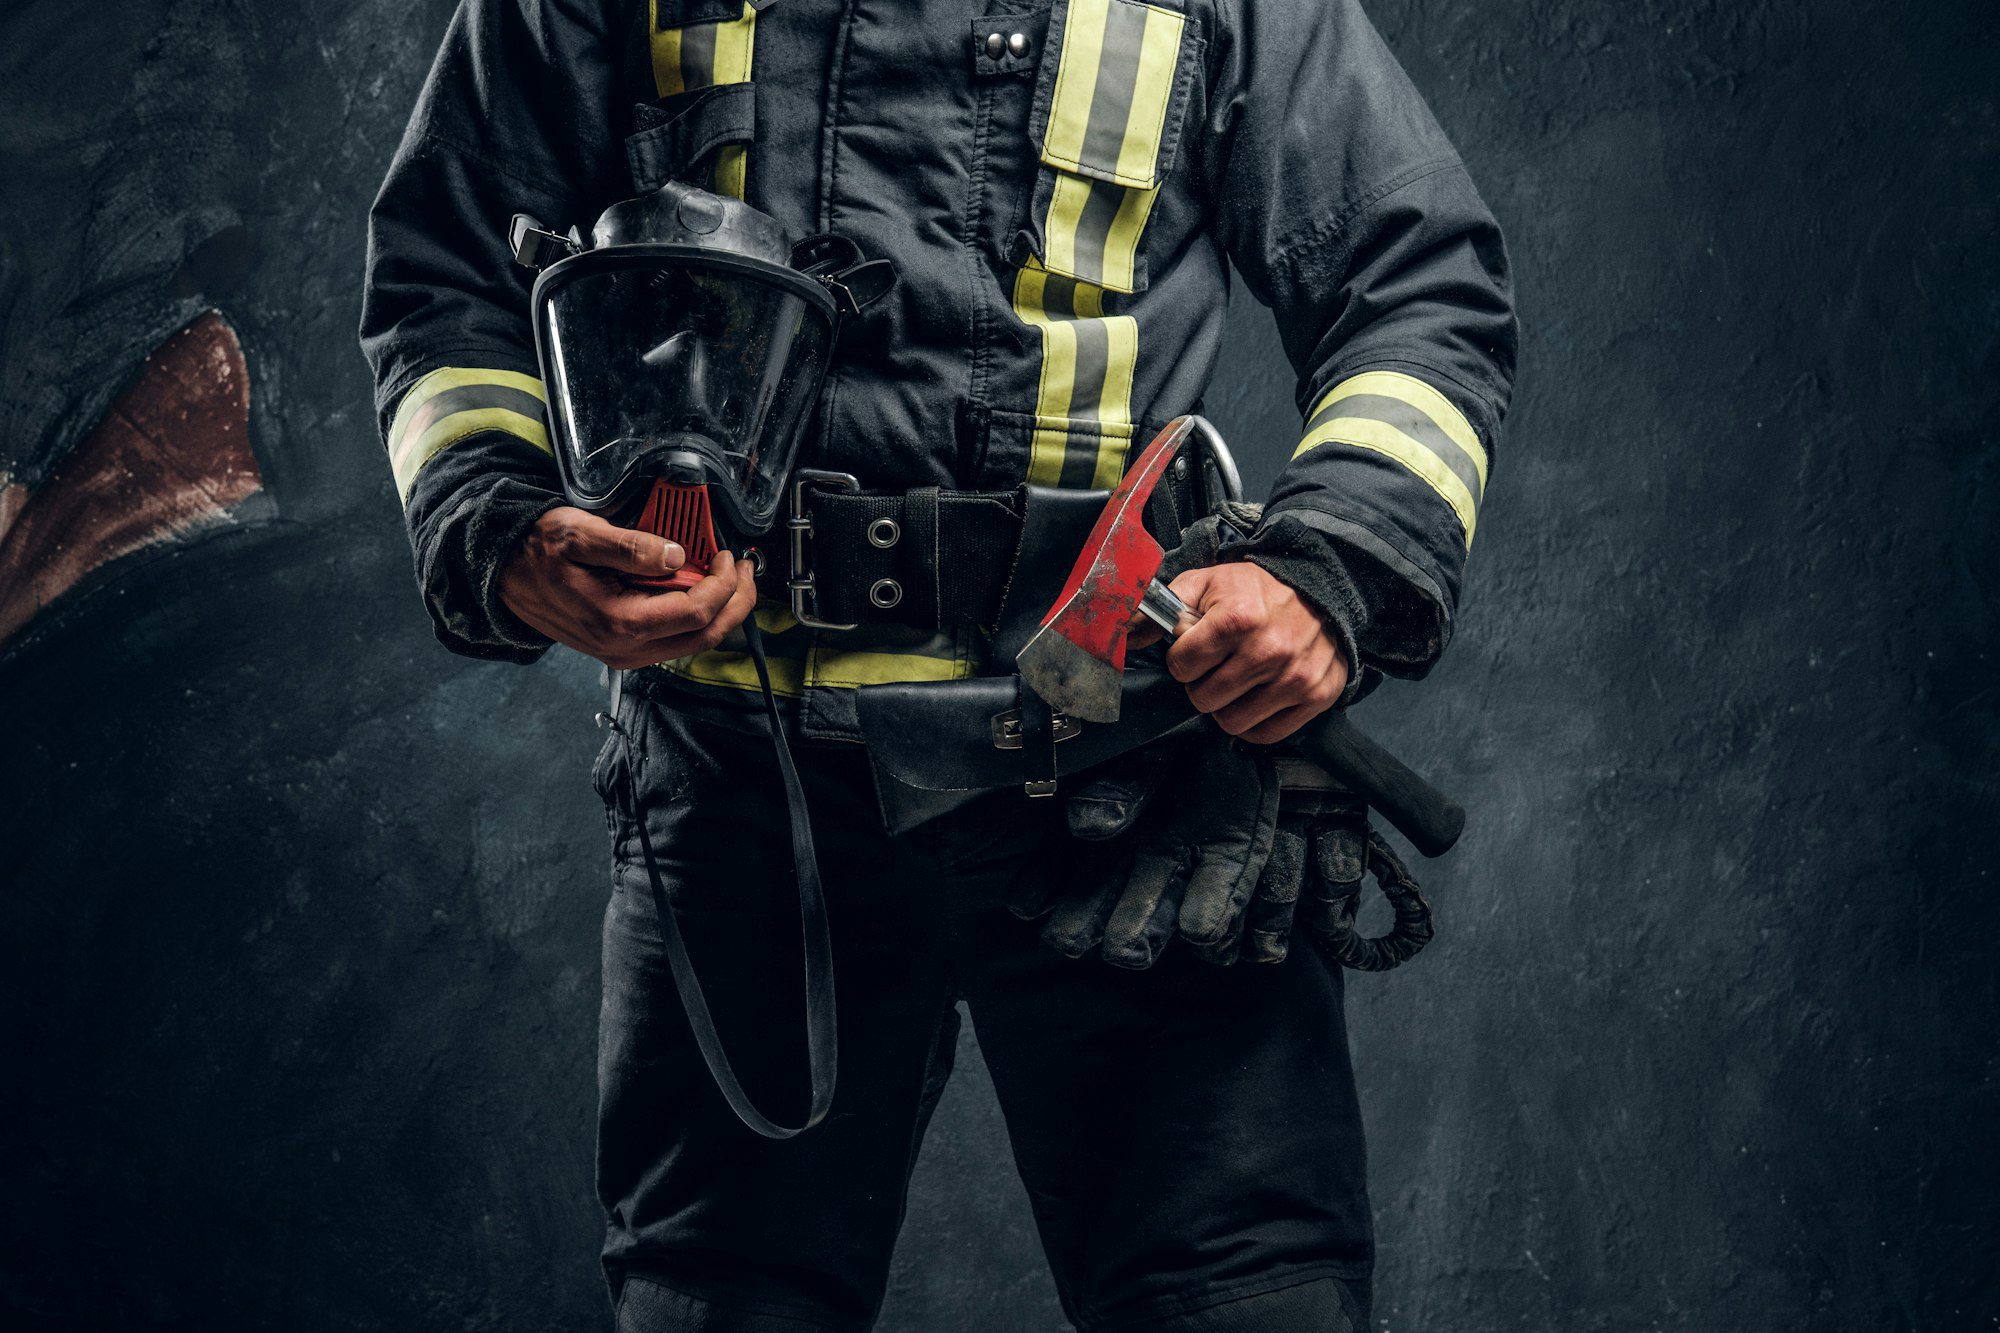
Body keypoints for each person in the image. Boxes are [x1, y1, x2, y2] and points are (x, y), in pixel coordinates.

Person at [359, 0, 1515, 1327]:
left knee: (1246, 1302)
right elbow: (447, 274)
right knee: (716, 1307)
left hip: (1128, 777)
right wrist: (499, 526)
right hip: (748, 791)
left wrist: (1331, 565)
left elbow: (1420, 282)